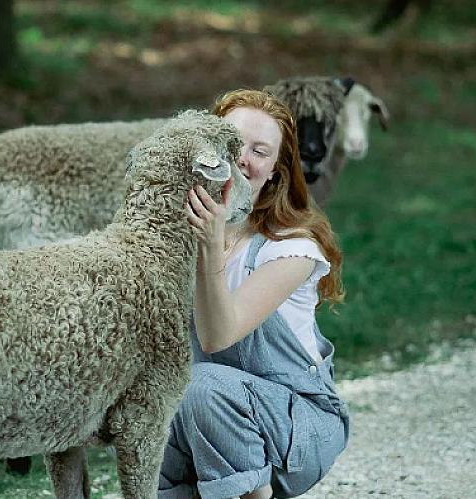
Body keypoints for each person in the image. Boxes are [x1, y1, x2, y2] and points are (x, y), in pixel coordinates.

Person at [158, 89, 349, 499]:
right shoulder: (173, 233)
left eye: (260, 151)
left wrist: (210, 245)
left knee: (203, 385)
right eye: (233, 142)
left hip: (296, 428)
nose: (243, 158)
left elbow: (216, 338)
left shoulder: (292, 247)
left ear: (275, 171)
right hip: (203, 421)